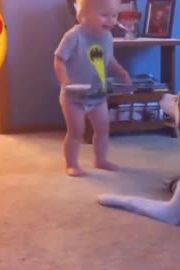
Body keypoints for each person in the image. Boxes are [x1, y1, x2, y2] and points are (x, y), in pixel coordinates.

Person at [54, 0, 131, 177]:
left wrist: (121, 71)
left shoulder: (107, 37)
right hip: (74, 96)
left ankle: (101, 159)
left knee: (103, 128)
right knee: (76, 131)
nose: (110, 21)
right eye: (104, 15)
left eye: (114, 16)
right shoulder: (74, 36)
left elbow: (109, 60)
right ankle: (71, 164)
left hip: (97, 94)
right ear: (83, 16)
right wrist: (65, 81)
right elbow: (59, 60)